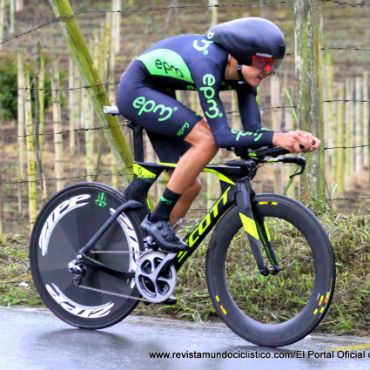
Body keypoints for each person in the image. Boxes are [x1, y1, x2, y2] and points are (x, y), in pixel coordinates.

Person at [116, 17, 320, 252]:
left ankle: (147, 255)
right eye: (263, 64)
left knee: (190, 187)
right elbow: (222, 136)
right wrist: (277, 138)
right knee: (207, 140)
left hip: (160, 92)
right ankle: (157, 219)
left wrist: (289, 140)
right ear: (237, 55)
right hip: (137, 89)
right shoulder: (208, 65)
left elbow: (254, 132)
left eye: (273, 66)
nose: (268, 71)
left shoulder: (245, 79)